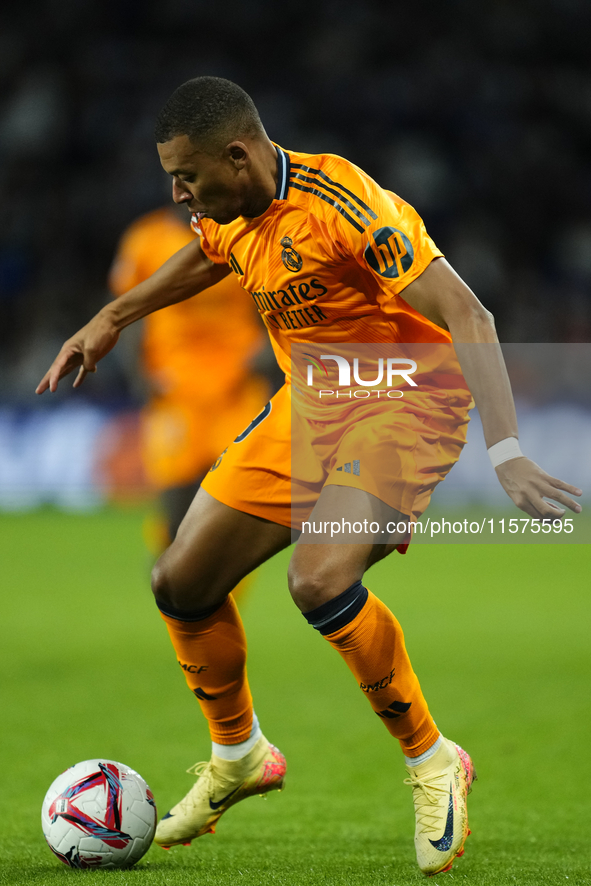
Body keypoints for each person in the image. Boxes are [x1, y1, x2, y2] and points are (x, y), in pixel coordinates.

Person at [36, 77, 582, 877]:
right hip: (308, 407)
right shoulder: (230, 216)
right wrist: (111, 317)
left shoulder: (345, 204)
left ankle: (432, 760)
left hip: (403, 404)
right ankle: (239, 756)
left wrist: (505, 451)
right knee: (180, 581)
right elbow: (206, 256)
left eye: (185, 176)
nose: (178, 192)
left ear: (238, 154)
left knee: (317, 579)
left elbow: (470, 314)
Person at [109, 202, 270, 549]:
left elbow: (273, 295)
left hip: (236, 389)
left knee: (240, 510)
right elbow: (125, 310)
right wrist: (138, 373)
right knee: (177, 510)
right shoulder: (147, 239)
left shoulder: (246, 232)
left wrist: (268, 351)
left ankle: (215, 595)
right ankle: (172, 591)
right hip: (175, 390)